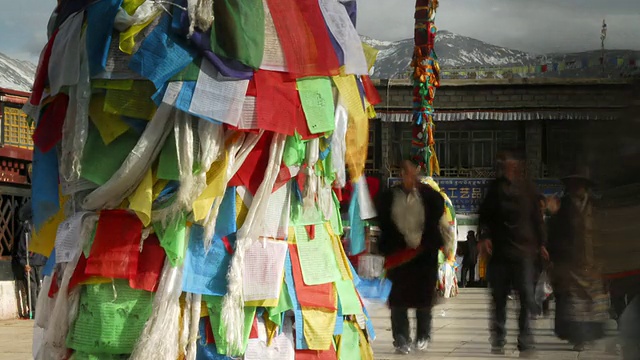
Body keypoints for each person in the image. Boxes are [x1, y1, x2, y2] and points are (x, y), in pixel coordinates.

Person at [477, 150, 547, 358]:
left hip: (523, 252)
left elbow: (537, 219)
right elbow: (484, 216)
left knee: (525, 296)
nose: (510, 167)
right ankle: (498, 338)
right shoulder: (494, 189)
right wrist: (485, 236)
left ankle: (525, 339)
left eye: (513, 164)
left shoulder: (528, 189)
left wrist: (542, 243)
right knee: (498, 298)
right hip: (499, 251)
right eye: (506, 164)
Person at [376, 159, 445, 355]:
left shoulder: (428, 196)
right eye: (404, 171)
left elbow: (438, 212)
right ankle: (400, 338)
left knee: (423, 299)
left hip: (423, 256)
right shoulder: (390, 196)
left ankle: (423, 335)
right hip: (399, 256)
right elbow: (383, 220)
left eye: (411, 171)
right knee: (398, 299)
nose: (408, 174)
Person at [547, 168, 607, 351]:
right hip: (570, 261)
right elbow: (553, 233)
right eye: (573, 185)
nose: (577, 189)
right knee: (574, 302)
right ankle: (578, 337)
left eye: (580, 185)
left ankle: (589, 334)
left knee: (591, 302)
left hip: (592, 260)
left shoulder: (596, 206)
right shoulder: (562, 206)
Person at [11, 201, 47, 318]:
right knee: (32, 287)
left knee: (40, 287)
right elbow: (21, 248)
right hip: (31, 261)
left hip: (40, 261)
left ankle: (41, 311)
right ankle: (35, 311)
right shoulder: (27, 227)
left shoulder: (43, 225)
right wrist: (24, 263)